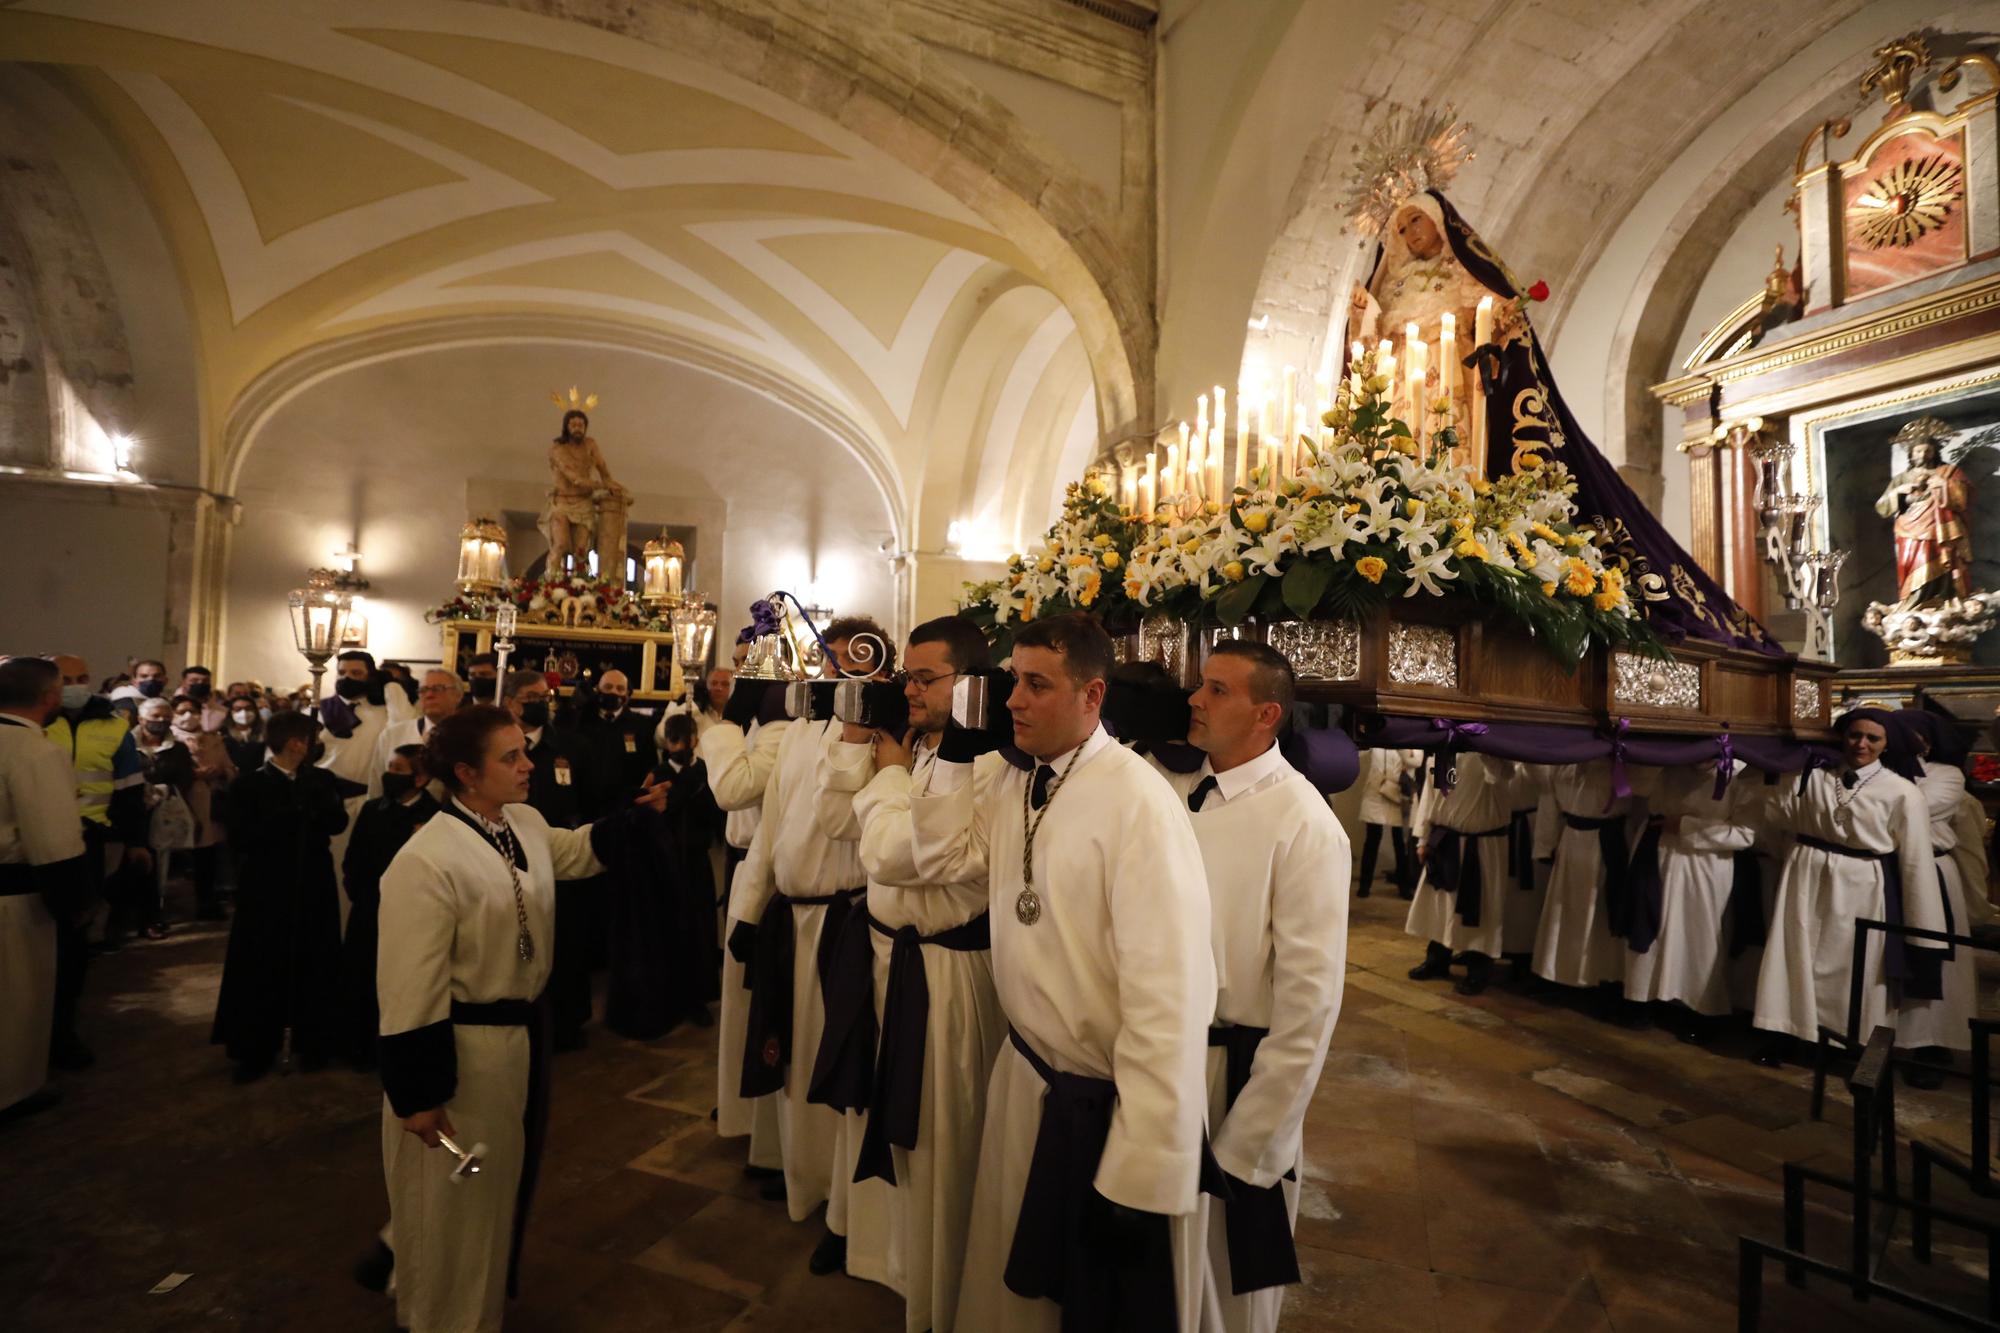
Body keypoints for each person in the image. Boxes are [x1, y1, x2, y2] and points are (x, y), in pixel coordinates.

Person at [908, 613, 1214, 1332]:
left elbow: (1168, 996)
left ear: (1092, 694)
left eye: (1036, 683)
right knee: (1006, 1291)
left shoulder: (1138, 802)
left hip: (1096, 1106)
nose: (1013, 699)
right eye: (1012, 679)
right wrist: (955, 751)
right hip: (1023, 1074)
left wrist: (1141, 1167)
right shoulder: (1023, 780)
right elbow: (941, 858)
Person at [376, 705, 665, 1333]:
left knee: (492, 1191)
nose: (528, 763)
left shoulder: (522, 823)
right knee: (453, 1200)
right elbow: (407, 988)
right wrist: (419, 1096)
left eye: (522, 751)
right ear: (465, 774)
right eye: (509, 757)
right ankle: (439, 1318)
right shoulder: (426, 861)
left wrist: (638, 815)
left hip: (518, 1042)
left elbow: (576, 850)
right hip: (460, 1056)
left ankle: (474, 1312)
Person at [817, 614, 1006, 1333]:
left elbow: (895, 855)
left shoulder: (984, 763)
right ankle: (888, 1258)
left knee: (936, 1142)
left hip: (946, 974)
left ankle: (938, 1293)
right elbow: (844, 823)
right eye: (908, 675)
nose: (909, 687)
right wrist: (869, 749)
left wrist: (890, 776)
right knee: (879, 1118)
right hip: (888, 957)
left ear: (971, 683)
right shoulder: (922, 749)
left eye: (926, 677)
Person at [1179, 641, 1347, 1333]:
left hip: (1236, 1080)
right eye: (1201, 684)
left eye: (1217, 690)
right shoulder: (1181, 792)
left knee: (1226, 1280)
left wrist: (1251, 1139)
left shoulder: (1304, 823)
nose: (1195, 698)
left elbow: (1311, 1004)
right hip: (1174, 1066)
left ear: (1266, 713)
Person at [731, 618, 894, 1277]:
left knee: (836, 1066)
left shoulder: (875, 738)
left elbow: (843, 823)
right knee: (792, 1053)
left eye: (853, 667)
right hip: (789, 915)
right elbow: (771, 827)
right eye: (831, 663)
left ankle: (841, 1208)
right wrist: (750, 904)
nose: (836, 676)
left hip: (842, 919)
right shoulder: (799, 731)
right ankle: (799, 1171)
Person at [1752, 710, 1946, 1067]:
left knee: (1851, 965)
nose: (1862, 744)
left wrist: (1924, 931)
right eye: (1856, 735)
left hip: (1862, 882)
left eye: (1873, 738)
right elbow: (1776, 814)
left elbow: (1916, 860)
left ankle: (1847, 1046)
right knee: (1795, 953)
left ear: (1887, 745)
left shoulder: (1902, 792)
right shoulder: (1815, 777)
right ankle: (1790, 1034)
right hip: (1807, 873)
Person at [212, 711, 350, 1081]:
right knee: (262, 959)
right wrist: (287, 815)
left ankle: (314, 1040)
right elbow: (240, 838)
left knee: (314, 955)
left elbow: (337, 822)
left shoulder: (319, 779)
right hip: (267, 884)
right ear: (296, 743)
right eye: (313, 738)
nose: (318, 745)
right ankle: (254, 1046)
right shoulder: (249, 785)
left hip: (312, 881)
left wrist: (318, 801)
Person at [701, 655, 793, 1193]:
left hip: (770, 870)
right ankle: (738, 1104)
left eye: (748, 665)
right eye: (738, 663)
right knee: (736, 1002)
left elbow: (733, 787)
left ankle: (757, 1117)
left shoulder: (781, 730)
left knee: (755, 1007)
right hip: (745, 862)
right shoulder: (763, 725)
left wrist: (727, 724)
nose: (740, 672)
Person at [45, 654, 147, 1069]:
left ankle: (62, 1032)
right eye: (66, 679)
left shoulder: (113, 726)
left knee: (73, 941)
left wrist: (135, 841)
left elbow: (127, 791)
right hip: (35, 840)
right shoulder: (32, 722)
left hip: (87, 842)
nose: (75, 685)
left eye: (82, 678)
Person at [0, 658, 88, 1121]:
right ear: (50, 697)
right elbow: (52, 842)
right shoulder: (35, 751)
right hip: (14, 899)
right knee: (16, 997)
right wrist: (73, 905)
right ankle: (12, 1090)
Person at [1619, 761, 1762, 1043]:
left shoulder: (1740, 775)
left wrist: (1685, 825)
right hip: (1659, 855)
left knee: (1699, 935)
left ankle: (1702, 1009)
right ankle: (1643, 1000)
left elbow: (1745, 833)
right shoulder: (1671, 766)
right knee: (1651, 928)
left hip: (1706, 864)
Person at [599, 711, 721, 1040]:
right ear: (667, 743)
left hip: (695, 862)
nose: (682, 745)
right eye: (675, 739)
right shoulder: (657, 774)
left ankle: (698, 997)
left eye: (687, 738)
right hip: (666, 866)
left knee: (701, 929)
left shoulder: (705, 773)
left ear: (695, 740)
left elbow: (717, 814)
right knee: (670, 928)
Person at [502, 669, 594, 1049]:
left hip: (560, 855)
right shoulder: (500, 750)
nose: (542, 703)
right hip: (511, 859)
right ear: (511, 703)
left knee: (567, 943)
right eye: (531, 697)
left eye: (545, 696)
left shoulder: (570, 746)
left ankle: (567, 1023)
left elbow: (588, 799)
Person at [339, 744, 440, 1070]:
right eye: (390, 768)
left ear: (421, 778)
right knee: (363, 978)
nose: (390, 775)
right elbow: (354, 857)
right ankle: (359, 1046)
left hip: (411, 917)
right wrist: (360, 892)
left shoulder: (435, 818)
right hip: (370, 909)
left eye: (399, 770)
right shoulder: (373, 810)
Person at [1893, 708, 1978, 1086]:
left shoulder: (1947, 776)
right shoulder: (1884, 773)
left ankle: (1932, 1043)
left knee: (1933, 959)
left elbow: (1909, 811)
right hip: (1888, 872)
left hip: (1931, 871)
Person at [1404, 751, 1525, 995]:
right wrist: (1423, 838)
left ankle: (1478, 968)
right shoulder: (1445, 755)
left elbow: (1500, 777)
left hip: (1482, 845)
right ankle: (1437, 959)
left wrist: (1486, 750)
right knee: (1441, 906)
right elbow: (1433, 798)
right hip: (1447, 840)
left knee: (1479, 907)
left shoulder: (1494, 756)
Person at [1531, 759, 1651, 993]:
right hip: (1572, 840)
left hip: (1610, 840)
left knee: (1602, 912)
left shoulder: (1621, 763)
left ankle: (1607, 977)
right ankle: (1564, 975)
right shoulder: (1563, 762)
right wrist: (1545, 845)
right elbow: (1549, 801)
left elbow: (1642, 796)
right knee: (1567, 911)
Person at [170, 693, 236, 921]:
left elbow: (230, 767)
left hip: (211, 804)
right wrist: (191, 774)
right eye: (182, 712)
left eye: (193, 711)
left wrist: (221, 772)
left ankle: (207, 902)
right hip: (182, 802)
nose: (189, 716)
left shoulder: (213, 739)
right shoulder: (169, 739)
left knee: (207, 856)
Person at [572, 668, 658, 817]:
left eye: (620, 688)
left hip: (625, 810)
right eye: (608, 687)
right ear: (598, 690)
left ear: (627, 695)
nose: (614, 692)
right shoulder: (581, 722)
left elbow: (649, 766)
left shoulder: (641, 726)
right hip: (585, 807)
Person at [372, 669, 462, 789]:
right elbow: (376, 784)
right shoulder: (393, 734)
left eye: (438, 688)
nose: (429, 695)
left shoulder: (473, 736)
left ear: (458, 695)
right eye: (423, 690)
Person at [1355, 747, 1420, 898]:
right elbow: (1359, 751)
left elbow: (1415, 761)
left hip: (1400, 794)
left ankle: (1404, 887)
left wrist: (1399, 743)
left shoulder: (1410, 737)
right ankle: (1364, 886)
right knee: (1372, 840)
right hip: (1376, 793)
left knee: (1400, 843)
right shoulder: (1378, 738)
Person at [180, 665, 226, 732]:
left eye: (205, 681)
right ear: (183, 682)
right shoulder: (172, 707)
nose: (200, 683)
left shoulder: (223, 711)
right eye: (194, 681)